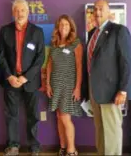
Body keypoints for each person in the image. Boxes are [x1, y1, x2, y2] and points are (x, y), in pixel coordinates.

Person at [82, 0, 131, 155]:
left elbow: (127, 62)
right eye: (95, 9)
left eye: (101, 9)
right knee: (100, 129)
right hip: (94, 91)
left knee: (112, 132)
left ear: (108, 11)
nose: (97, 12)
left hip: (111, 91)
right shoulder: (92, 34)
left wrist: (123, 90)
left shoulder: (119, 31)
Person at [0, 0, 45, 156]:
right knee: (12, 115)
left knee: (33, 115)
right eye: (17, 10)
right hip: (11, 80)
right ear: (13, 13)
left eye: (23, 10)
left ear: (28, 12)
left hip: (30, 81)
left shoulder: (37, 32)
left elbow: (40, 58)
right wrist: (10, 76)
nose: (20, 13)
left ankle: (34, 146)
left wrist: (25, 77)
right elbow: (1, 56)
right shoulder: (5, 30)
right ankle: (13, 146)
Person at [46, 15, 83, 156]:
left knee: (65, 117)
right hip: (55, 85)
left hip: (69, 86)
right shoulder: (54, 44)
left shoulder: (76, 43)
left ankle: (71, 150)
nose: (64, 27)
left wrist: (78, 87)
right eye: (61, 24)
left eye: (66, 24)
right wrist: (48, 85)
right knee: (58, 116)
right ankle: (62, 147)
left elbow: (79, 67)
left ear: (71, 27)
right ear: (57, 27)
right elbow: (49, 65)